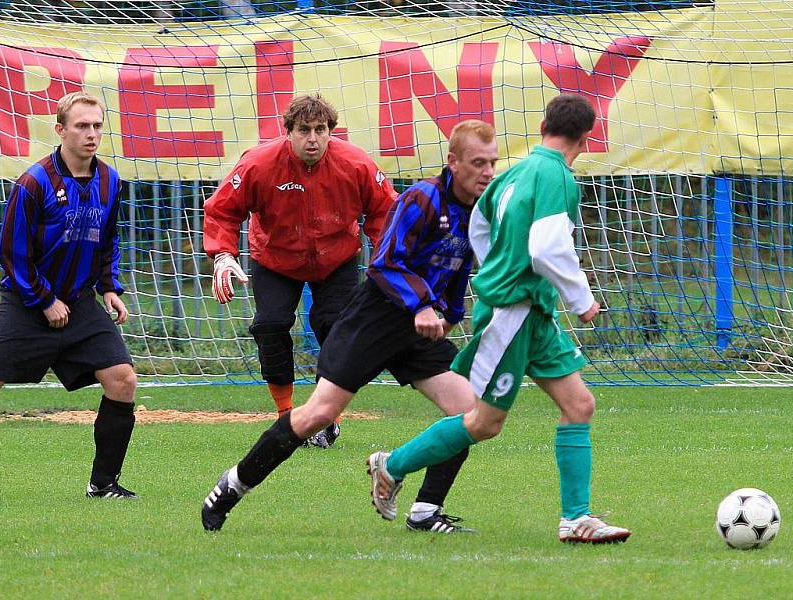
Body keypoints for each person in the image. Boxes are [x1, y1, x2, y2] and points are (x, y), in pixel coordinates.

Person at [201, 119, 499, 532]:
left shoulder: (480, 210)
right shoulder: (422, 198)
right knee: (318, 415)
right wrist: (422, 306)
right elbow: (386, 263)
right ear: (453, 162)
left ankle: (424, 509)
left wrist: (449, 313)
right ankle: (232, 486)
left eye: (492, 163)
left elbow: (459, 265)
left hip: (417, 324)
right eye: (478, 163)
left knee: (470, 414)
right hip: (374, 320)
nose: (487, 172)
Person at [366, 94, 632, 543]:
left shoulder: (515, 173)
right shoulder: (556, 177)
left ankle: (576, 518)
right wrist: (581, 299)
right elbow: (547, 247)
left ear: (545, 124)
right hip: (512, 314)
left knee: (579, 405)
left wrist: (494, 267)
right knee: (483, 422)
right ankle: (391, 465)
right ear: (588, 137)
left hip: (532, 312)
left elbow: (480, 224)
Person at [203, 93, 397, 448]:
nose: (312, 138)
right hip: (275, 258)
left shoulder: (356, 164)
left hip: (336, 257)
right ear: (287, 132)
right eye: (304, 130)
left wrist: (387, 263)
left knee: (335, 328)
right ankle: (286, 417)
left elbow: (386, 212)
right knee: (271, 324)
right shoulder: (259, 164)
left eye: (320, 129)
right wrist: (222, 255)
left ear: (330, 131)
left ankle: (327, 418)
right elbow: (222, 210)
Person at [0, 91, 138, 498]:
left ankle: (103, 484)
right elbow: (12, 254)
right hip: (27, 305)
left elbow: (107, 240)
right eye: (81, 126)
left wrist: (109, 287)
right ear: (60, 130)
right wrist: (43, 300)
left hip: (78, 304)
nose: (91, 134)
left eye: (97, 126)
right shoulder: (33, 182)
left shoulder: (110, 180)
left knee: (122, 380)